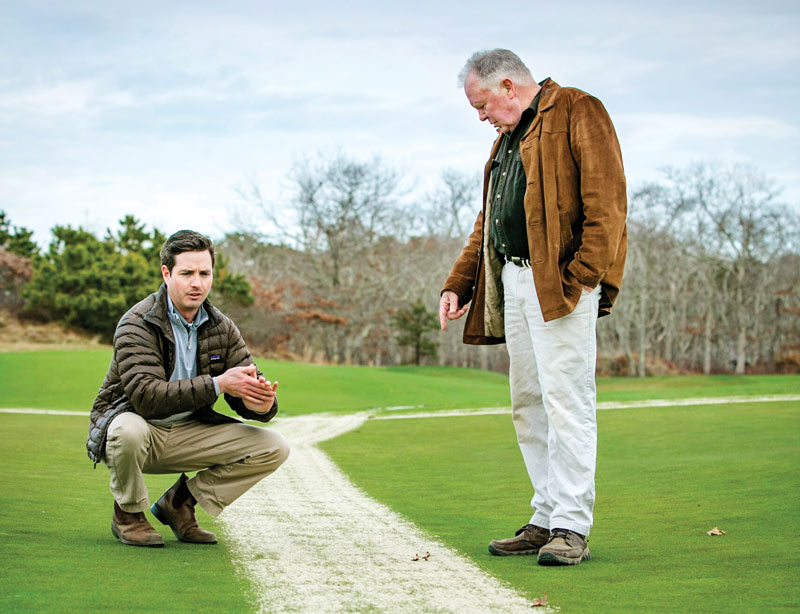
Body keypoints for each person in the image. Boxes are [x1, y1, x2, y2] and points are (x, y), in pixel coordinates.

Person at [439, 49, 627, 566]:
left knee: (566, 403)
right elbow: (489, 218)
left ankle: (572, 525)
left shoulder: (577, 109)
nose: (480, 117)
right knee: (527, 403)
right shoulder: (508, 137)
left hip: (558, 286)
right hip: (513, 281)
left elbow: (607, 205)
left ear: (506, 86)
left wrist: (579, 279)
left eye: (482, 105)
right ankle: (545, 518)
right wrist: (460, 281)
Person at [87, 230, 290, 547]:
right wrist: (219, 384)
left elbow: (246, 382)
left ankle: (180, 503)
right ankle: (128, 515)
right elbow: (147, 398)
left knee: (274, 445)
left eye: (204, 273)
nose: (197, 283)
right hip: (141, 430)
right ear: (166, 273)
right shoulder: (137, 322)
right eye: (187, 273)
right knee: (125, 430)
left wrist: (261, 404)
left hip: (189, 432)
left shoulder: (221, 325)